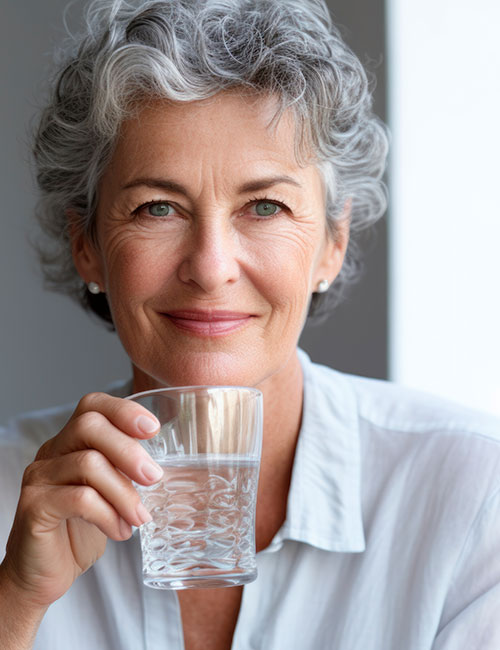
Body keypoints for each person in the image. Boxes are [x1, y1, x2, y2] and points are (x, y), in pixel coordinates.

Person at [1, 0, 500, 648]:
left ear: (333, 242)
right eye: (157, 208)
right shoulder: (9, 489)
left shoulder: (473, 491)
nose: (210, 268)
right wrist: (15, 599)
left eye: (264, 206)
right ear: (87, 243)